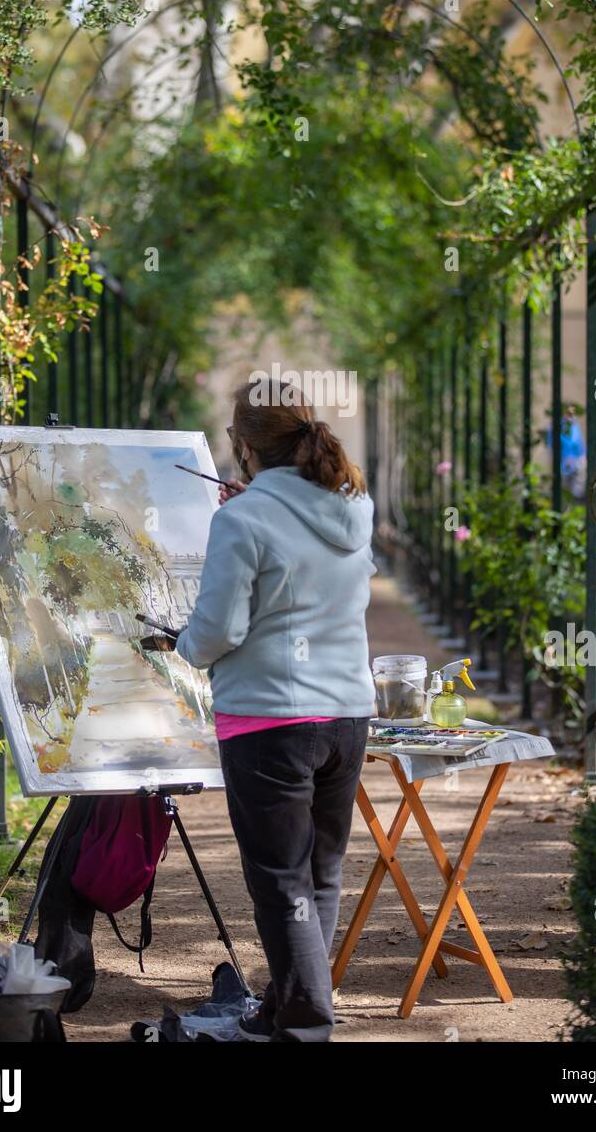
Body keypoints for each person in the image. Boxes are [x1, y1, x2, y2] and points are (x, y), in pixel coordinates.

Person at [170, 382, 377, 1042]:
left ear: (243, 449)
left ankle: (305, 1019)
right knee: (319, 873)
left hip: (269, 719)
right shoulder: (353, 503)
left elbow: (220, 628)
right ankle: (293, 1005)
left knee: (279, 878)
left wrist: (183, 642)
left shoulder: (240, 518)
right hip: (345, 713)